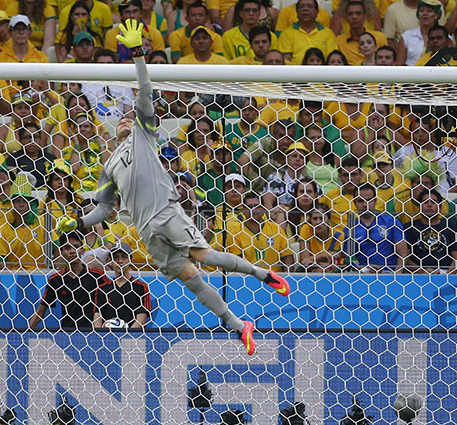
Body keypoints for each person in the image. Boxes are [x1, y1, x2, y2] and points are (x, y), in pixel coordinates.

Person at [56, 19, 291, 356]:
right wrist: (77, 223)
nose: (125, 119)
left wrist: (138, 54)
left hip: (167, 212)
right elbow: (105, 210)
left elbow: (147, 92)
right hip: (147, 231)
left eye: (128, 117)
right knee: (192, 278)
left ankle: (261, 273)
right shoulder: (108, 167)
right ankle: (240, 326)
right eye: (120, 119)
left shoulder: (144, 136)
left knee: (204, 255)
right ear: (111, 131)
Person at [29, 230, 110, 330]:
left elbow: (112, 302)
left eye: (76, 247)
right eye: (67, 248)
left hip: (93, 334)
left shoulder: (97, 276)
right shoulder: (56, 280)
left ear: (82, 250)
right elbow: (40, 312)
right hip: (68, 335)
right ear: (61, 252)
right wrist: (24, 335)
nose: (72, 251)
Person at [345, 183, 408, 272]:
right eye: (360, 201)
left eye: (368, 200)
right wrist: (366, 269)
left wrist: (397, 275)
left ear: (375, 201)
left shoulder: (391, 222)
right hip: (362, 276)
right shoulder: (351, 228)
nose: (364, 204)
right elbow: (349, 259)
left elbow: (403, 252)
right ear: (354, 203)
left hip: (389, 275)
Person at [93, 241, 152, 328]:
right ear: (110, 261)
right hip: (108, 338)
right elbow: (97, 318)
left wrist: (125, 335)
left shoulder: (141, 287)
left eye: (124, 257)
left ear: (131, 261)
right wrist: (101, 335)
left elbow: (141, 320)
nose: (120, 261)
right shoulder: (103, 288)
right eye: (116, 257)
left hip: (133, 338)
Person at [405, 189, 457, 273]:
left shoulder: (450, 227)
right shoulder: (410, 227)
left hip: (446, 273)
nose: (429, 205)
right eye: (425, 202)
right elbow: (405, 256)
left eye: (433, 202)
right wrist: (422, 271)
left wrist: (447, 275)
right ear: (419, 206)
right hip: (416, 275)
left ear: (440, 207)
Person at [0, 184, 46, 270]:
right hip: (13, 274)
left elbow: (57, 248)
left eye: (25, 201)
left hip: (41, 273)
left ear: (30, 204)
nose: (21, 205)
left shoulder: (42, 222)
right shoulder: (2, 230)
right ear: (11, 204)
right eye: (17, 201)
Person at [278, 0, 337, 65]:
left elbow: (332, 60)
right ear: (296, 12)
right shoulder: (286, 33)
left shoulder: (328, 33)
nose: (305, 9)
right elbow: (285, 61)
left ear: (317, 12)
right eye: (301, 7)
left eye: (310, 6)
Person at [298, 203, 344, 272]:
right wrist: (323, 255)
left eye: (322, 218)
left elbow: (335, 263)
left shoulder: (338, 234)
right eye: (315, 219)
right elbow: (304, 261)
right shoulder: (306, 229)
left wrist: (314, 260)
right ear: (310, 221)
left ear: (328, 220)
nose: (318, 222)